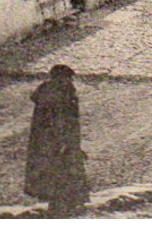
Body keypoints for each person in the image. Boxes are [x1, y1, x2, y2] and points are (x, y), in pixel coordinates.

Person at [24, 64, 91, 216]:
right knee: (63, 176)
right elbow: (59, 123)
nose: (70, 82)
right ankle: (65, 208)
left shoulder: (52, 93)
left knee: (60, 177)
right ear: (60, 79)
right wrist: (65, 143)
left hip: (57, 144)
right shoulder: (58, 96)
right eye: (67, 79)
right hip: (59, 145)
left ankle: (64, 206)